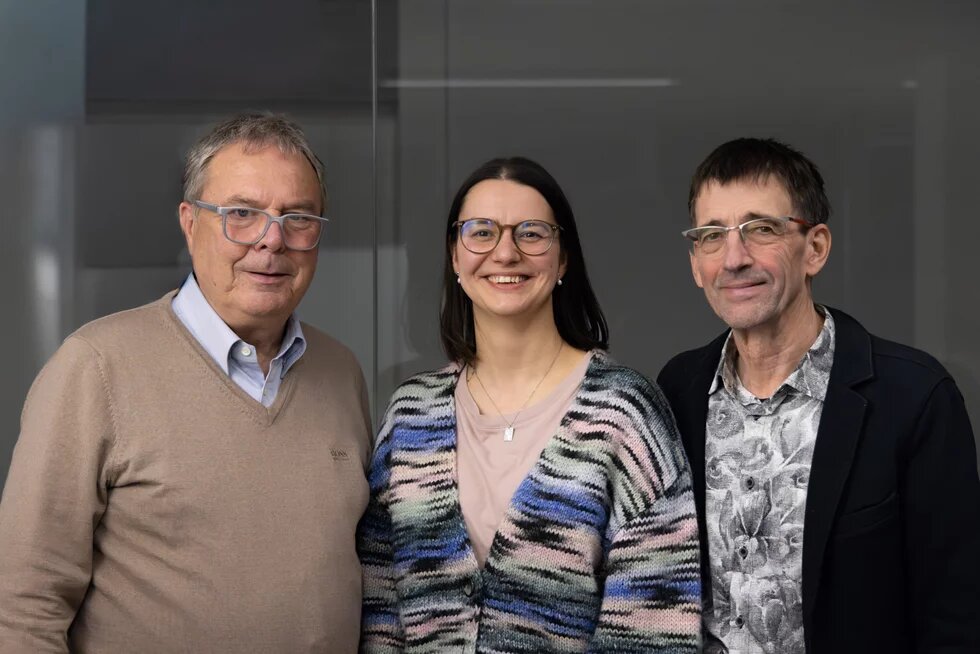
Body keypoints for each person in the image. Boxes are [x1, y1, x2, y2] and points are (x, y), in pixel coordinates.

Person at [0, 113, 372, 652]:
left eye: (298, 217)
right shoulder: (95, 367)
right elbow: (23, 606)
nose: (272, 240)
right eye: (241, 214)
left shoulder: (341, 373)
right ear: (190, 221)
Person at [358, 156, 701, 653]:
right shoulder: (410, 415)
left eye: (532, 233)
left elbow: (653, 628)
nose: (505, 252)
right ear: (455, 257)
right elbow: (380, 613)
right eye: (481, 232)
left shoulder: (624, 414)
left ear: (562, 260)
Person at [657, 137, 980, 654]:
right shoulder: (678, 391)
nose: (734, 258)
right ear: (696, 263)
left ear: (815, 248)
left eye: (761, 229)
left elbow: (956, 619)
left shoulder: (914, 398)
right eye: (712, 236)